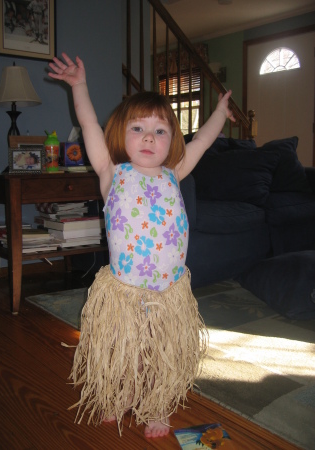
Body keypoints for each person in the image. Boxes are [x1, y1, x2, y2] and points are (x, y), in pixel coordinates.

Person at [48, 52, 235, 439]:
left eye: (161, 130)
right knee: (124, 352)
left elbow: (201, 139)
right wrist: (79, 86)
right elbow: (87, 124)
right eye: (138, 128)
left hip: (169, 293)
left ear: (171, 141)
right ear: (121, 134)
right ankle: (119, 395)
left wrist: (219, 113)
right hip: (124, 293)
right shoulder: (110, 172)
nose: (149, 136)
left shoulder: (175, 173)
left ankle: (158, 405)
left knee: (161, 354)